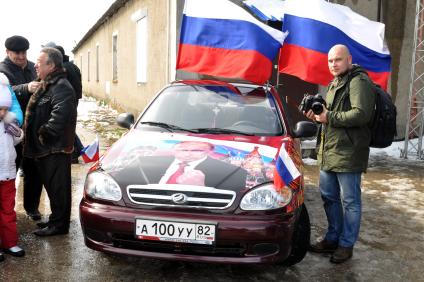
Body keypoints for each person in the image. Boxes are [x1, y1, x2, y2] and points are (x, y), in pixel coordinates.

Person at [305, 44, 375, 263]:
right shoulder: (335, 82)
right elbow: (329, 115)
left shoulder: (358, 81)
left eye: (338, 59)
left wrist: (329, 117)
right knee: (329, 198)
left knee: (350, 201)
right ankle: (332, 238)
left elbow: (361, 114)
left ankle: (346, 244)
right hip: (330, 151)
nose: (333, 64)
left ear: (349, 59)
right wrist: (317, 115)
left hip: (349, 152)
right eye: (330, 61)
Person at [23, 47, 77, 236]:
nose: (35, 65)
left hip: (55, 148)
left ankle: (59, 226)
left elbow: (60, 115)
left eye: (39, 61)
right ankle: (56, 220)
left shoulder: (61, 85)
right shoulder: (48, 83)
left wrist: (43, 135)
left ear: (51, 65)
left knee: (58, 189)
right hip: (47, 148)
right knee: (53, 188)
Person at [0, 35, 42, 221]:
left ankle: (32, 208)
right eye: (16, 53)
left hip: (33, 127)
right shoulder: (2, 70)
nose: (21, 56)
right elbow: (5, 91)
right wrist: (26, 88)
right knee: (10, 170)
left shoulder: (34, 67)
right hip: (12, 130)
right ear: (7, 52)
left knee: (34, 170)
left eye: (24, 52)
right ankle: (7, 213)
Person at [115, 141, 248, 190]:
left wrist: (202, 188)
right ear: (173, 150)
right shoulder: (143, 162)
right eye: (183, 150)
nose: (188, 154)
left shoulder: (234, 172)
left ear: (210, 151)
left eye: (196, 150)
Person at [43, 42, 83, 163]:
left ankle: (75, 153)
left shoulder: (62, 68)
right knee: (69, 125)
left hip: (66, 100)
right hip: (74, 99)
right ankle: (77, 151)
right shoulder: (73, 66)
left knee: (66, 127)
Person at [0, 73, 25, 261]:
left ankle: (10, 243)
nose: (2, 113)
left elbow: (16, 140)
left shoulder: (8, 122)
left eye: (4, 109)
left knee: (8, 209)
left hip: (7, 174)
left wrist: (16, 128)